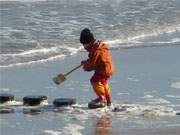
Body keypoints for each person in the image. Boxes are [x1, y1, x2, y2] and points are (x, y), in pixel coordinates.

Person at [80, 28, 115, 106]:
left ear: (89, 42)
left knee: (95, 81)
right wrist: (87, 61)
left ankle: (102, 98)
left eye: (84, 44)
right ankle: (108, 99)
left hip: (103, 69)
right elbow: (95, 59)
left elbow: (92, 64)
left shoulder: (96, 51)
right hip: (108, 68)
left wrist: (86, 65)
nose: (84, 47)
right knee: (103, 82)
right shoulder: (99, 47)